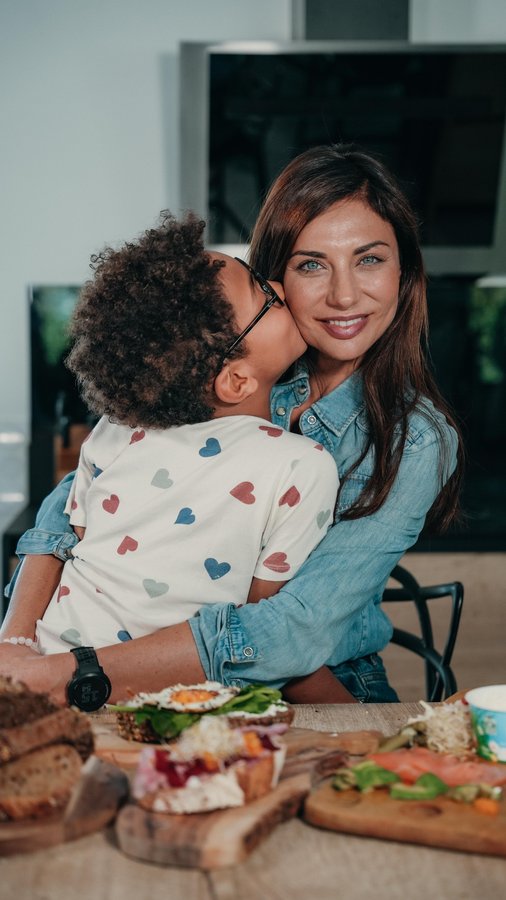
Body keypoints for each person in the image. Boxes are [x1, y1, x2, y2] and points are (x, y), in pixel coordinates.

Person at [1, 143, 463, 705]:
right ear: (275, 276)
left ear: (404, 271)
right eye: (311, 264)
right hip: (117, 664)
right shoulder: (214, 365)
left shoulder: (415, 439)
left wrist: (62, 670)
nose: (344, 295)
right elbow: (70, 505)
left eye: (369, 259)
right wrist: (15, 640)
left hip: (311, 683)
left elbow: (290, 633)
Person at [3, 212, 344, 684]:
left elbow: (78, 533)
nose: (281, 288)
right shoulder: (303, 467)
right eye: (264, 296)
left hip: (51, 662)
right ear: (235, 379)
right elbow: (259, 611)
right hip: (180, 692)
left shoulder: (115, 429)